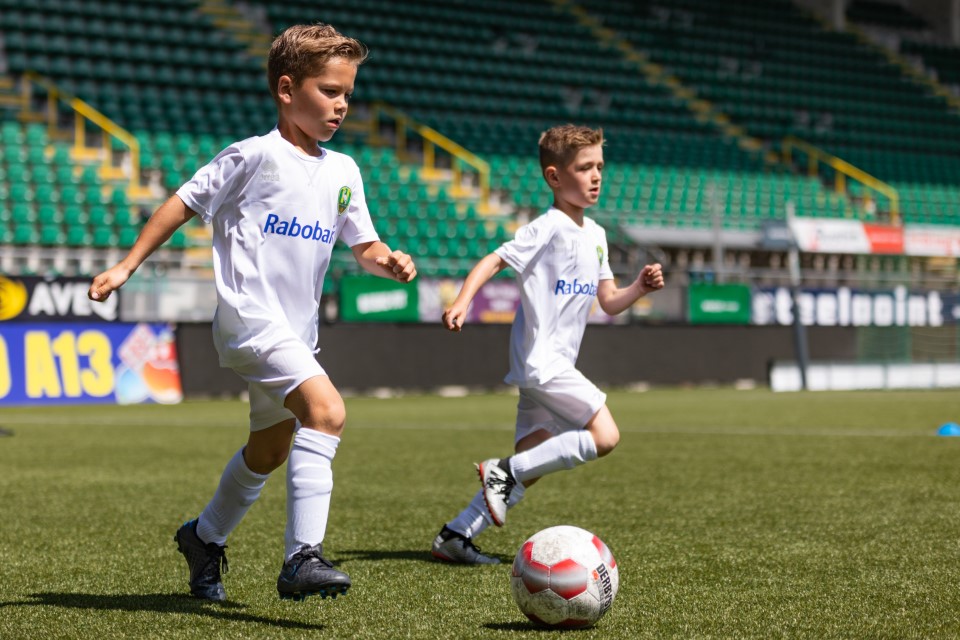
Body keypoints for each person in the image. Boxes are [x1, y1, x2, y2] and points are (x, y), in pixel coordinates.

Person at [88, 24, 417, 602]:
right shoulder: (254, 155)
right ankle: (301, 558)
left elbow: (363, 245)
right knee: (328, 410)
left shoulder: (344, 172)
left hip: (296, 334)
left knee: (270, 450)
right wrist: (126, 266)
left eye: (347, 94)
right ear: (287, 90)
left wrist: (387, 259)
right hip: (249, 320)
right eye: (329, 90)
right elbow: (183, 202)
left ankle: (203, 538)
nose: (341, 104)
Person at [431, 124, 664, 564]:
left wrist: (640, 288)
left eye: (599, 166)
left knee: (533, 461)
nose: (596, 176)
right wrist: (462, 300)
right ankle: (502, 471)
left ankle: (455, 536)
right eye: (584, 168)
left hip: (549, 366)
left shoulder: (595, 234)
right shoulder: (548, 227)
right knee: (605, 436)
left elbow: (610, 302)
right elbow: (495, 260)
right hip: (544, 362)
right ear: (555, 177)